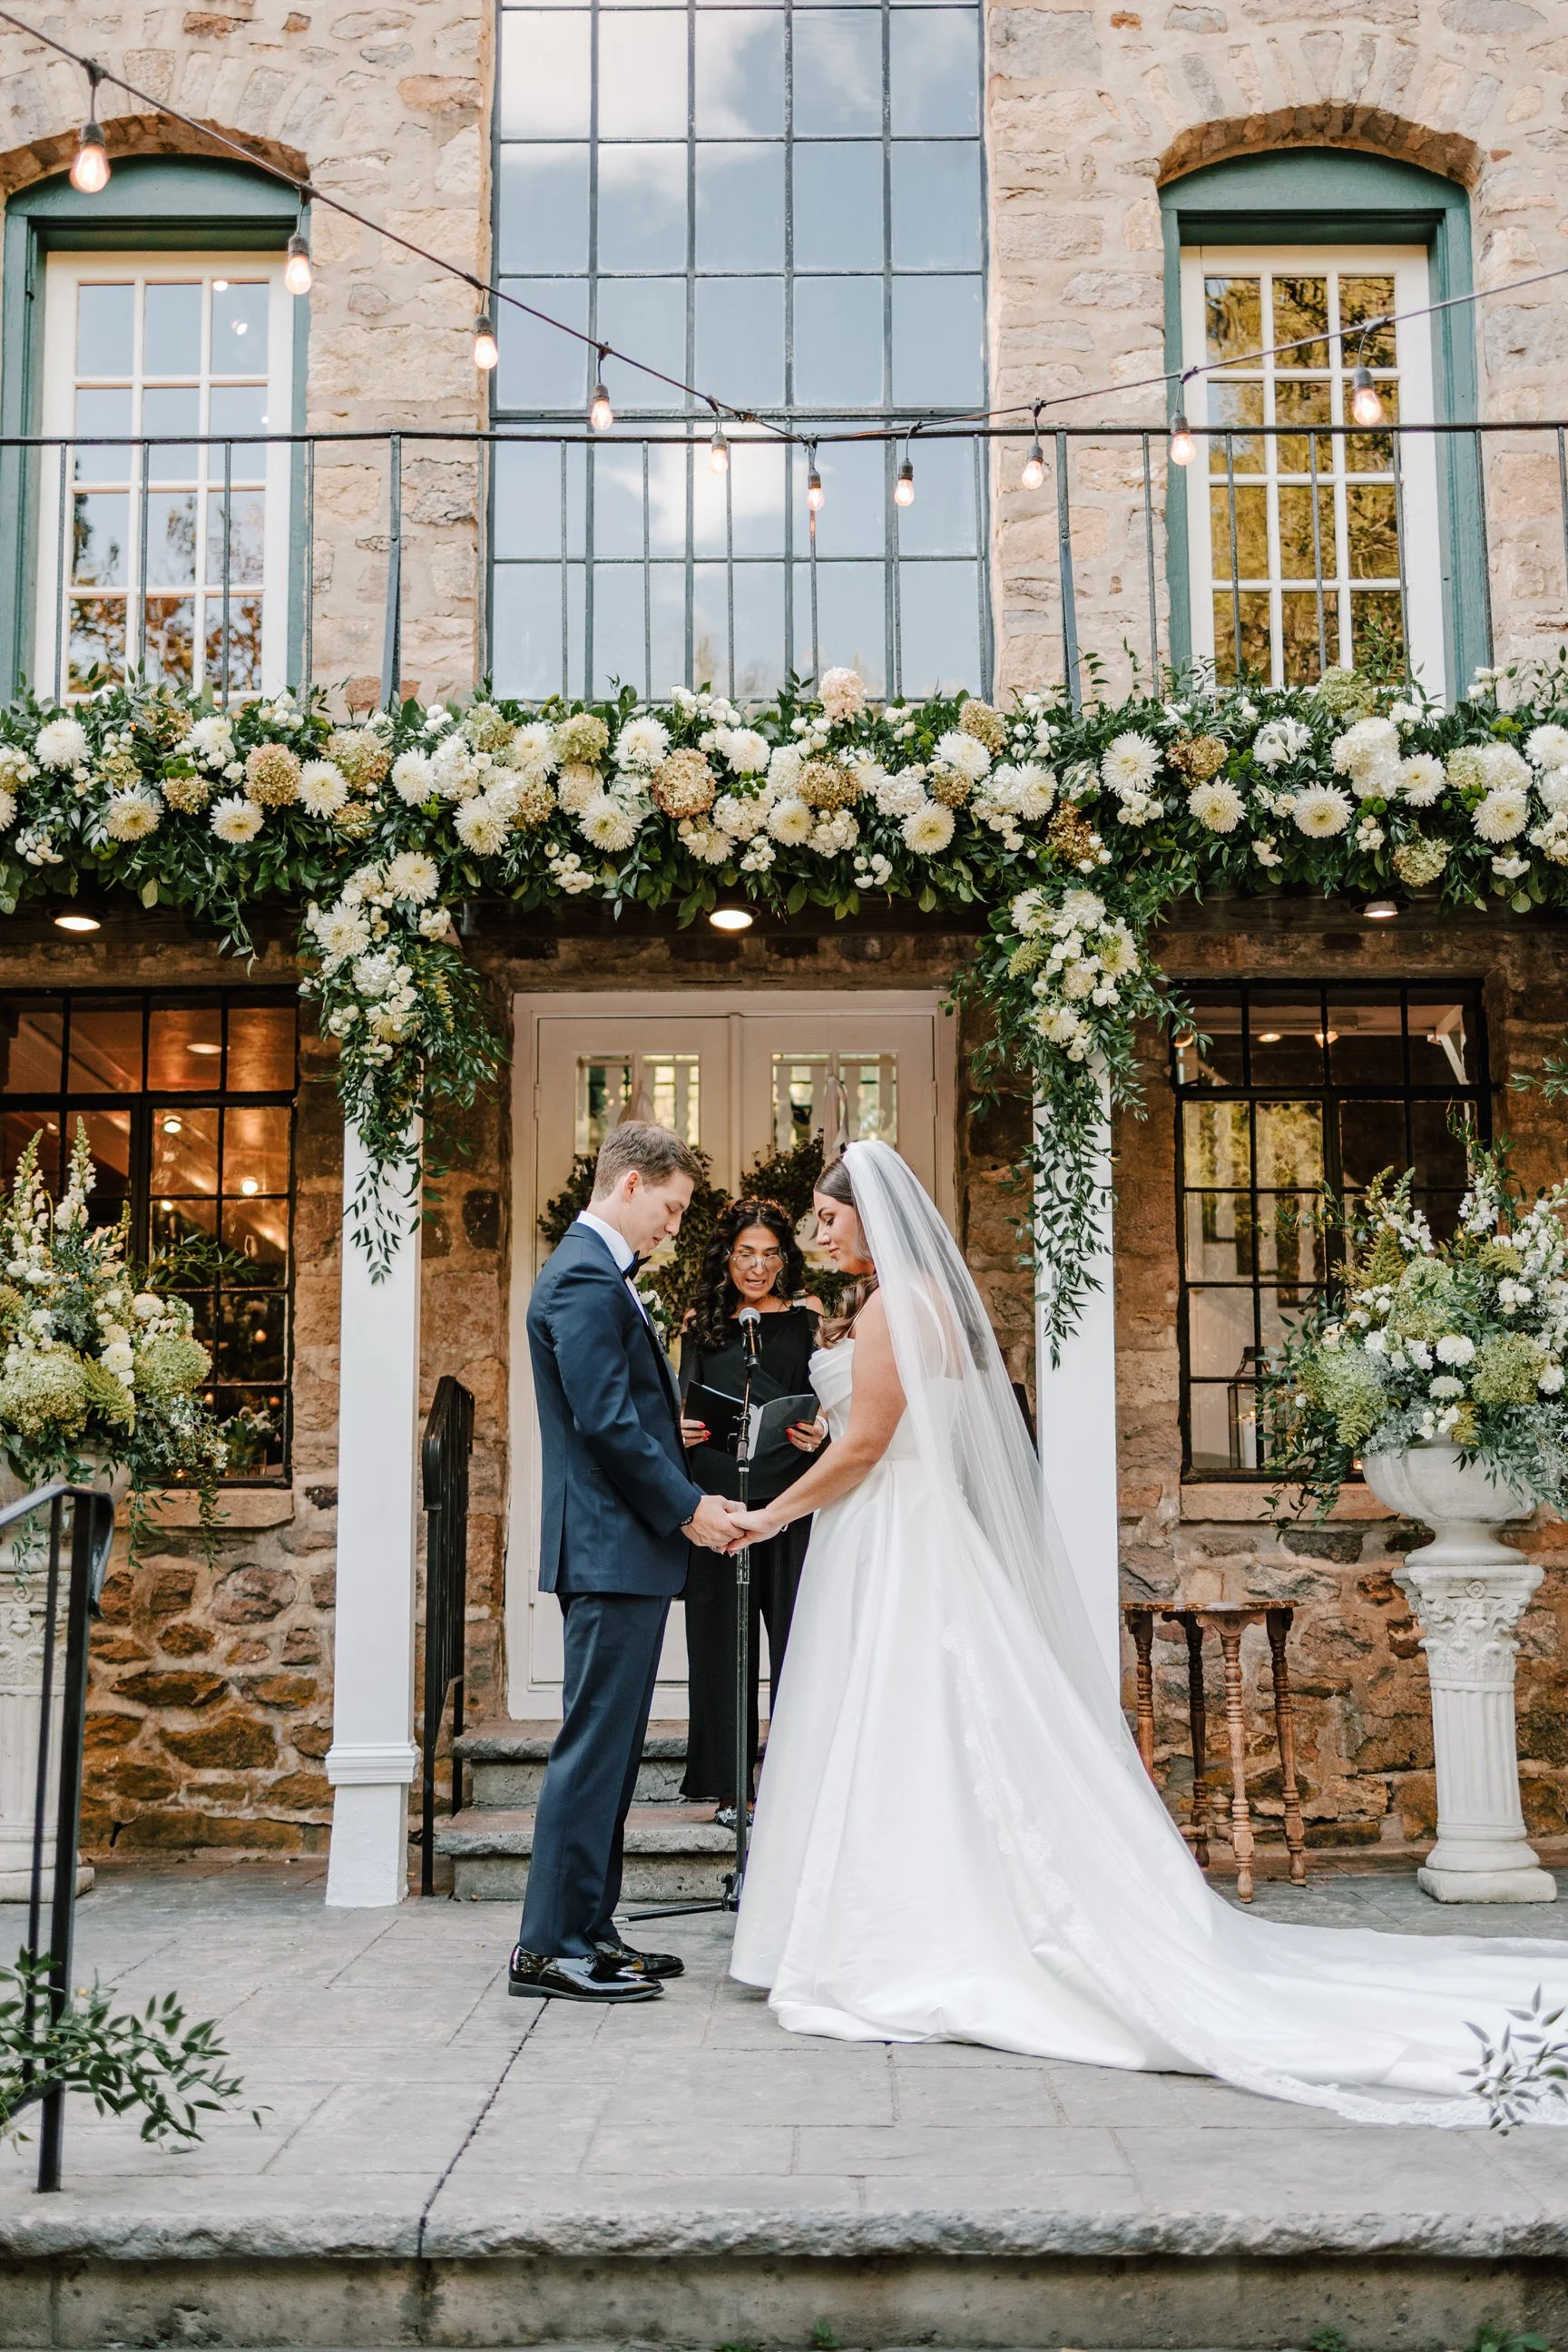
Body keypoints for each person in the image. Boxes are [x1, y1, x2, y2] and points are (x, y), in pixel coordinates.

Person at [728, 1140, 1568, 2125]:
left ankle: (895, 1931)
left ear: (870, 1212)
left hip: (889, 1537)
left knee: (898, 1719)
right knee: (925, 1721)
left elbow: (869, 1446)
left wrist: (770, 1513)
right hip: (914, 1531)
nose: (818, 1233)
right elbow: (896, 1432)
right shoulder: (923, 1304)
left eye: (830, 1217)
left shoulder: (888, 1307)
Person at [512, 1121, 745, 2005]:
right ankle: (547, 1946)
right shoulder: (580, 1275)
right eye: (673, 1210)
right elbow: (606, 1423)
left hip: (626, 1556)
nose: (674, 1230)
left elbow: (622, 1418)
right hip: (610, 1553)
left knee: (610, 1756)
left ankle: (592, 1931)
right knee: (590, 1751)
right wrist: (688, 1509)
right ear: (634, 1185)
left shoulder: (601, 1277)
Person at [677, 1198, 828, 1814]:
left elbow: (829, 1400)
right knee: (721, 1642)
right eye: (746, 1254)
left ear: (785, 1258)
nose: (758, 1267)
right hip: (718, 1500)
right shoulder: (699, 1320)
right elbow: (683, 1402)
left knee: (797, 1636)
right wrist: (678, 1429)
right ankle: (730, 1785)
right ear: (727, 1256)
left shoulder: (807, 1317)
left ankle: (797, 1782)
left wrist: (822, 1434)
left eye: (770, 1254)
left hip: (789, 1497)